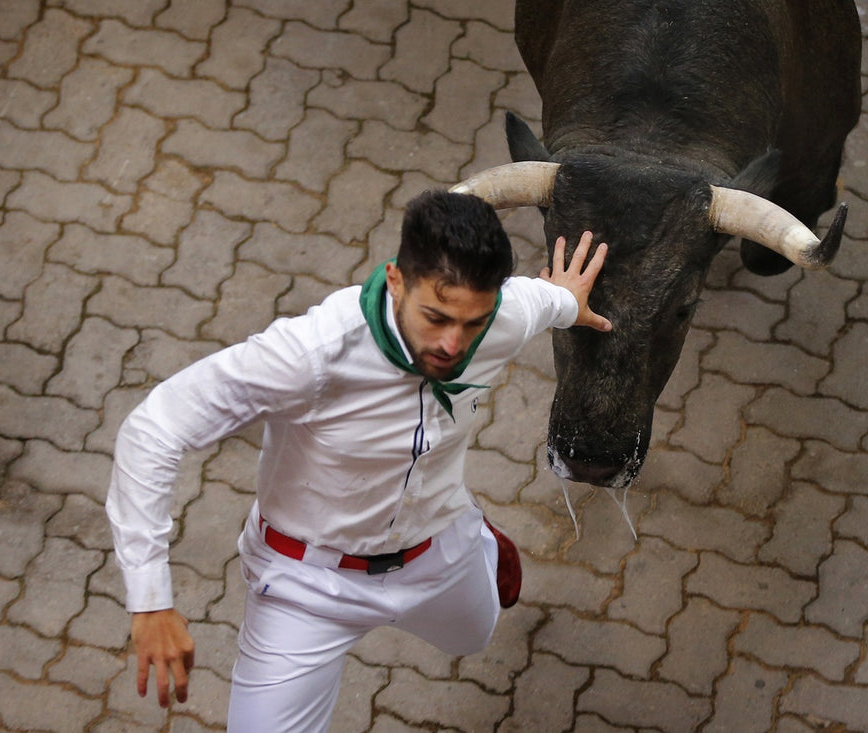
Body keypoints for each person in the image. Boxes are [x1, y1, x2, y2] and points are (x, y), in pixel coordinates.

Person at [105, 189, 612, 731]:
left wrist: (567, 302)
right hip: (309, 585)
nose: (452, 343)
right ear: (396, 279)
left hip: (437, 549)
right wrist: (150, 600)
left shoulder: (499, 317)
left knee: (475, 634)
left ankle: (479, 539)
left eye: (472, 323)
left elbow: (538, 302)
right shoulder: (311, 355)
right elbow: (154, 429)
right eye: (436, 316)